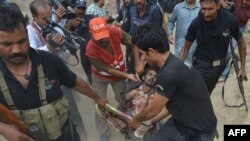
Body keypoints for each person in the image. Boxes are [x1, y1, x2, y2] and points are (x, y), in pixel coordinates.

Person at [0, 4, 106, 141]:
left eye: (22, 41)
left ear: (27, 34)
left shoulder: (48, 60)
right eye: (7, 44)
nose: (17, 50)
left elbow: (75, 82)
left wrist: (98, 98)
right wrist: (4, 129)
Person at [130, 23, 217, 141]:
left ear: (151, 51)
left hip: (199, 132)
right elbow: (168, 106)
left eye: (142, 54)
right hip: (180, 121)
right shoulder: (171, 63)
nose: (142, 59)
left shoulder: (168, 73)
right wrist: (150, 121)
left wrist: (136, 119)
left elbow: (153, 109)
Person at [85, 17, 139, 141]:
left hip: (118, 75)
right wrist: (127, 75)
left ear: (108, 29)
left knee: (124, 102)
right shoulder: (90, 50)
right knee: (100, 105)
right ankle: (103, 133)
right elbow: (108, 70)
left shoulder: (115, 32)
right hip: (100, 77)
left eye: (104, 35)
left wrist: (137, 64)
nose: (103, 40)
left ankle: (127, 128)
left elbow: (133, 42)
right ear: (90, 34)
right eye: (99, 37)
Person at [179, 0, 247, 94]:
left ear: (218, 6)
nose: (206, 14)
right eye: (203, 9)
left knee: (207, 93)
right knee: (195, 94)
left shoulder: (230, 20)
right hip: (202, 65)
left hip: (221, 65)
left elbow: (241, 43)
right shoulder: (196, 23)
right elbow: (186, 46)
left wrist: (242, 68)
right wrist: (177, 68)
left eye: (210, 9)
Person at [123, 67, 167, 141]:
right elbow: (124, 102)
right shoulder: (135, 91)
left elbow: (159, 111)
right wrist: (130, 95)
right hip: (132, 120)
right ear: (143, 77)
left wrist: (150, 122)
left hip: (147, 123)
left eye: (155, 76)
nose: (152, 77)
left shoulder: (157, 95)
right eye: (150, 74)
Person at [126, 0, 163, 74]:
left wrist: (143, 59)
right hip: (135, 48)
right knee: (132, 72)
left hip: (149, 51)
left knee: (148, 76)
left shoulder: (154, 11)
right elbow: (129, 28)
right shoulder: (132, 9)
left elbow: (156, 36)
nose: (138, 1)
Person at [219, 0, 250, 81]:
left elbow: (242, 44)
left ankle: (224, 72)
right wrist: (222, 2)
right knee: (223, 44)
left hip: (240, 27)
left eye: (247, 1)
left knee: (229, 50)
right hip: (228, 24)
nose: (244, 2)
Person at [166, 0, 200, 67]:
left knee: (194, 69)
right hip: (180, 45)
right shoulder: (178, 8)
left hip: (196, 46)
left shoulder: (201, 8)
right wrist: (169, 34)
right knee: (179, 67)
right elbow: (170, 22)